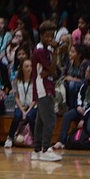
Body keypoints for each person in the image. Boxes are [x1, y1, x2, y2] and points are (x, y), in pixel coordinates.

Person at [32, 21, 62, 162]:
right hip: (42, 87)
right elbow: (51, 69)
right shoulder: (39, 51)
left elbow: (54, 70)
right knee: (50, 119)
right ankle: (46, 149)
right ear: (41, 36)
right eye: (48, 36)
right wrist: (51, 69)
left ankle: (37, 149)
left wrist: (51, 69)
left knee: (41, 120)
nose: (51, 39)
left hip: (48, 84)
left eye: (52, 36)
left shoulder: (48, 50)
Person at [5, 58, 37, 148]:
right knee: (17, 116)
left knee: (30, 116)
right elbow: (16, 97)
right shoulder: (16, 80)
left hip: (32, 106)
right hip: (20, 106)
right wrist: (23, 111)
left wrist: (27, 111)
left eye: (30, 66)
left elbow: (35, 98)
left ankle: (36, 139)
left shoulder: (35, 81)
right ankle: (10, 138)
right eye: (26, 66)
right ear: (22, 68)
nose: (29, 68)